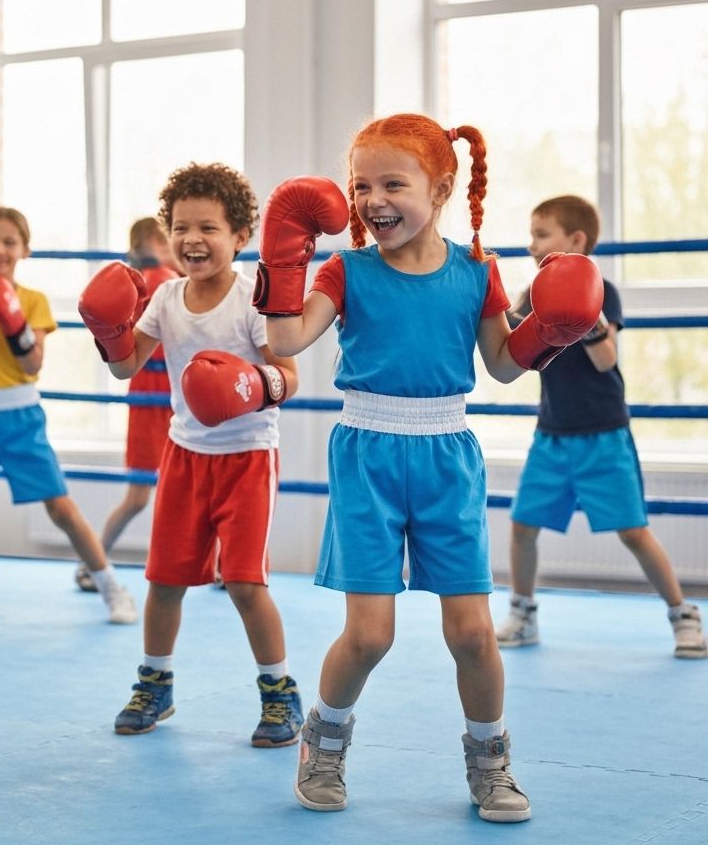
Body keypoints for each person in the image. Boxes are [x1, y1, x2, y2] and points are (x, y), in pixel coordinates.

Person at [255, 114, 604, 821]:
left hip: (447, 452)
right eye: (360, 185)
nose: (372, 199)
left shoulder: (477, 272)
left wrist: (553, 329)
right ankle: (322, 741)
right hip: (368, 452)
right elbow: (286, 336)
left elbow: (504, 365)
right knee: (369, 635)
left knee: (473, 633)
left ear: (441, 188)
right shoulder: (346, 268)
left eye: (393, 183)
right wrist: (283, 252)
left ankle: (490, 759)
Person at [77, 162, 305, 747]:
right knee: (165, 578)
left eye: (208, 227)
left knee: (246, 582)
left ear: (239, 237)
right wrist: (108, 329)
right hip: (183, 454)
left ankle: (279, 692)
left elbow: (289, 375)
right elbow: (128, 366)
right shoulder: (166, 297)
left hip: (247, 455)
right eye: (180, 227)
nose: (192, 239)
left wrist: (249, 387)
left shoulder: (252, 299)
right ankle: (155, 682)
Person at [495, 195, 706, 659]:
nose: (532, 244)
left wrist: (588, 322)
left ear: (576, 241)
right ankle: (523, 611)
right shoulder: (533, 293)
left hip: (603, 434)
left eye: (541, 234)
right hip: (551, 434)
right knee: (523, 526)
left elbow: (606, 358)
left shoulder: (603, 289)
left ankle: (683, 615)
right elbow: (505, 342)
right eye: (531, 234)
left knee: (632, 530)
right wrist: (482, 295)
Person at [0, 206, 137, 625]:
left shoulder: (32, 301)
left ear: (25, 250)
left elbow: (33, 364)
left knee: (61, 509)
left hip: (21, 418)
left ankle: (111, 588)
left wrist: (10, 318)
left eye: (9, 241)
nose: (0, 249)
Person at [75, 217, 179, 593]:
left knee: (173, 488)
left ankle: (93, 564)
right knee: (157, 491)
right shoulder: (163, 280)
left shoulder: (149, 282)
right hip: (159, 389)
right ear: (152, 243)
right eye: (166, 240)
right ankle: (94, 561)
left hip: (160, 388)